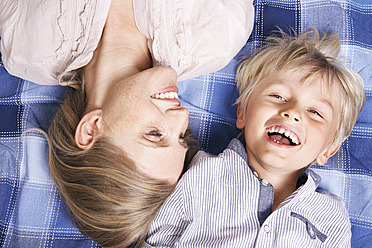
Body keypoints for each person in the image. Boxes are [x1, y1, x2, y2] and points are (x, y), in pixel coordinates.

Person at [0, 0, 254, 247]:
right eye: (180, 136)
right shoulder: (218, 37)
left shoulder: (26, 46)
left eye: (154, 134)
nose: (182, 115)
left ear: (90, 130)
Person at [144, 27, 365, 247]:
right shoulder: (196, 174)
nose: (293, 112)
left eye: (315, 112)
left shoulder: (331, 216)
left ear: (328, 150)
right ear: (242, 113)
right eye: (278, 96)